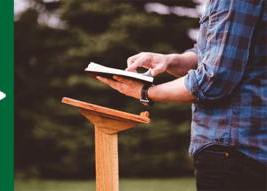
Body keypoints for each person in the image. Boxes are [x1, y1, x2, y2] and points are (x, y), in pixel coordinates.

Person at [96, 0, 267, 190]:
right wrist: (170, 61)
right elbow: (213, 54)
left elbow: (215, 80)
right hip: (239, 148)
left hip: (234, 147)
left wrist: (145, 92)